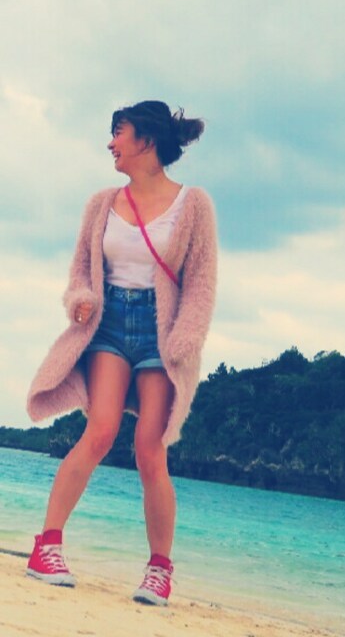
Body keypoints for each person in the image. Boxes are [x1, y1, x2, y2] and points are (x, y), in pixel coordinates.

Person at [24, 100, 218, 606]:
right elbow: (79, 274)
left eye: (119, 132)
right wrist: (81, 300)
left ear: (146, 141)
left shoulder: (193, 205)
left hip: (161, 333)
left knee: (150, 450)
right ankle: (47, 547)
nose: (111, 143)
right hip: (108, 327)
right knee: (101, 430)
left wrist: (186, 340)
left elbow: (201, 285)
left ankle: (159, 571)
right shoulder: (101, 203)